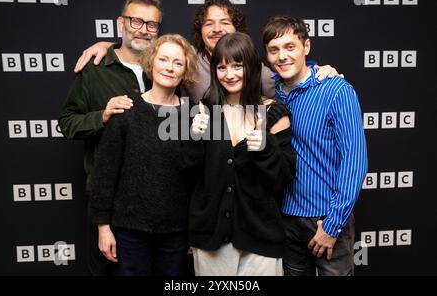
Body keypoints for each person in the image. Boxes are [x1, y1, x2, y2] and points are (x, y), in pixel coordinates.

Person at [58, 0, 163, 275]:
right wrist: (101, 116)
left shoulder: (165, 68)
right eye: (136, 21)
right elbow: (67, 123)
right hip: (109, 197)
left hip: (158, 198)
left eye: (151, 24)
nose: (143, 29)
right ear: (121, 22)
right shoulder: (95, 69)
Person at [74, 0, 340, 102]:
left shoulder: (255, 66)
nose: (216, 29)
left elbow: (287, 83)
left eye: (224, 23)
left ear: (237, 29)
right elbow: (151, 53)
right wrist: (109, 45)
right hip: (202, 152)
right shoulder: (187, 58)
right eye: (209, 23)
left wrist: (317, 71)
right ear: (200, 29)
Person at [261, 15, 368, 276]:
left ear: (306, 47)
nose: (282, 56)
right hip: (286, 219)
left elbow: (355, 162)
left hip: (326, 219)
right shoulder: (273, 91)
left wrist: (332, 225)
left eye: (290, 47)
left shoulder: (336, 90)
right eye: (274, 50)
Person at [183, 32, 296, 276]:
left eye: (237, 65)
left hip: (261, 237)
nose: (230, 74)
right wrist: (193, 137)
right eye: (222, 67)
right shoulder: (203, 112)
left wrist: (265, 148)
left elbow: (283, 179)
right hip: (211, 237)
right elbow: (188, 175)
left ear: (253, 67)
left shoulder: (274, 113)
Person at [90, 34, 198, 276]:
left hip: (177, 232)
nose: (170, 67)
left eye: (178, 63)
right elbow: (106, 172)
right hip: (129, 232)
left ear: (186, 70)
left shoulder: (193, 115)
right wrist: (103, 227)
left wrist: (196, 230)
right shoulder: (126, 110)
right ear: (151, 62)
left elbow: (198, 178)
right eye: (164, 59)